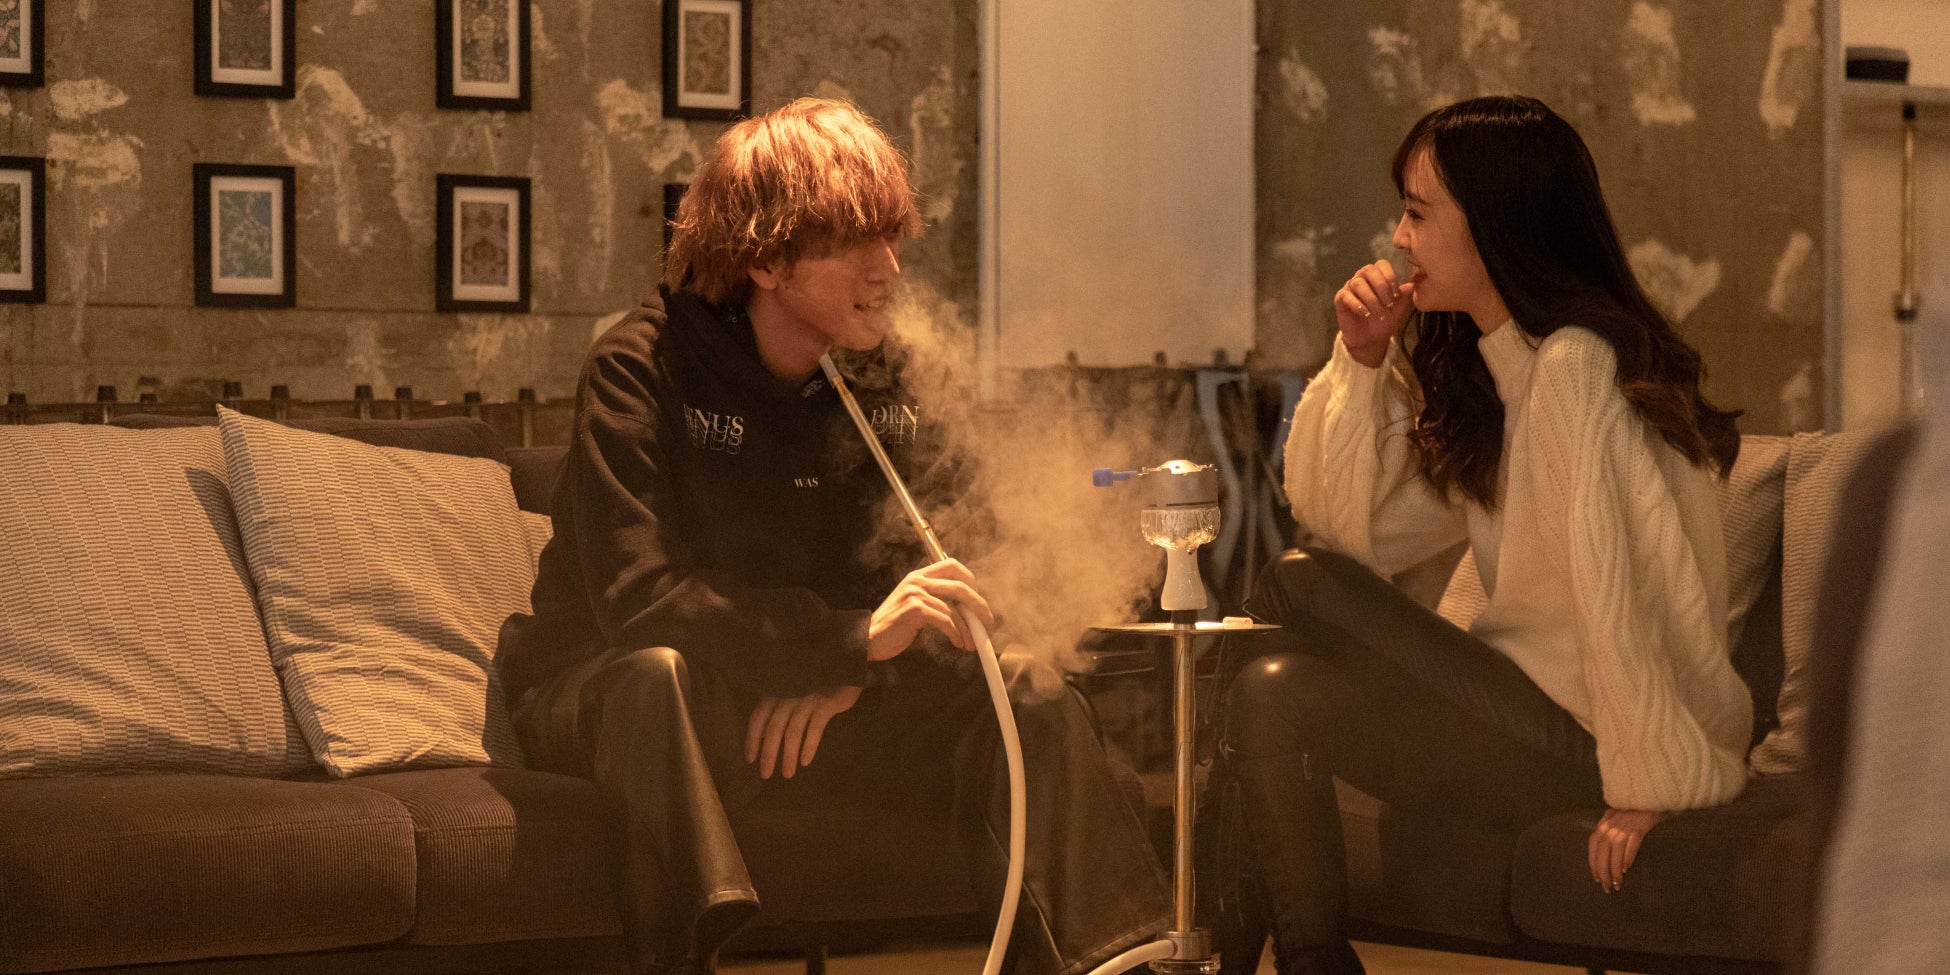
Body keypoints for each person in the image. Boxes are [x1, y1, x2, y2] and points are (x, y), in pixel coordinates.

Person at [496, 97, 1169, 975]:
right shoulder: (639, 367)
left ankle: (1118, 966)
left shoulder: (878, 379)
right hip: (618, 694)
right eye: (858, 242)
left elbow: (967, 584)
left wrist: (854, 672)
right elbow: (642, 601)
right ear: (768, 259)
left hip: (811, 692)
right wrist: (844, 640)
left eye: (893, 238)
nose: (890, 267)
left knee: (1025, 688)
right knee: (656, 677)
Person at [1211, 95, 1755, 975]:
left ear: (1497, 225)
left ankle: (1199, 952)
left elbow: (1618, 589)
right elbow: (1356, 529)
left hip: (1581, 743)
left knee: (1297, 582)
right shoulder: (1503, 379)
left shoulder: (1575, 366)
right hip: (1517, 731)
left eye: (1419, 214)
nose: (1399, 239)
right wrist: (1361, 360)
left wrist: (1649, 784)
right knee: (1269, 690)